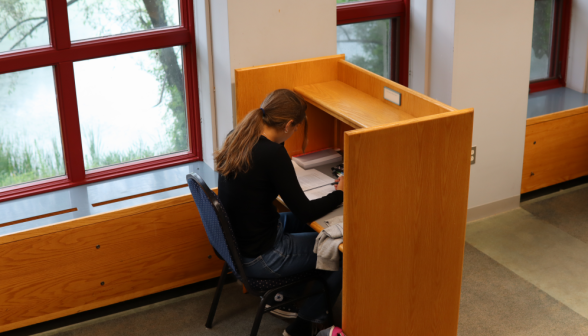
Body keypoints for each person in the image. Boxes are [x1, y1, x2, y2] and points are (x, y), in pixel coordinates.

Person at [215, 89, 344, 336]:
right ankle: (301, 326)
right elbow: (306, 210)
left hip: (242, 242)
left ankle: (287, 296)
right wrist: (340, 193)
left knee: (313, 227)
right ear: (287, 125)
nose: (294, 133)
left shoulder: (239, 136)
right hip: (262, 256)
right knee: (342, 253)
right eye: (295, 129)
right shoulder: (272, 155)